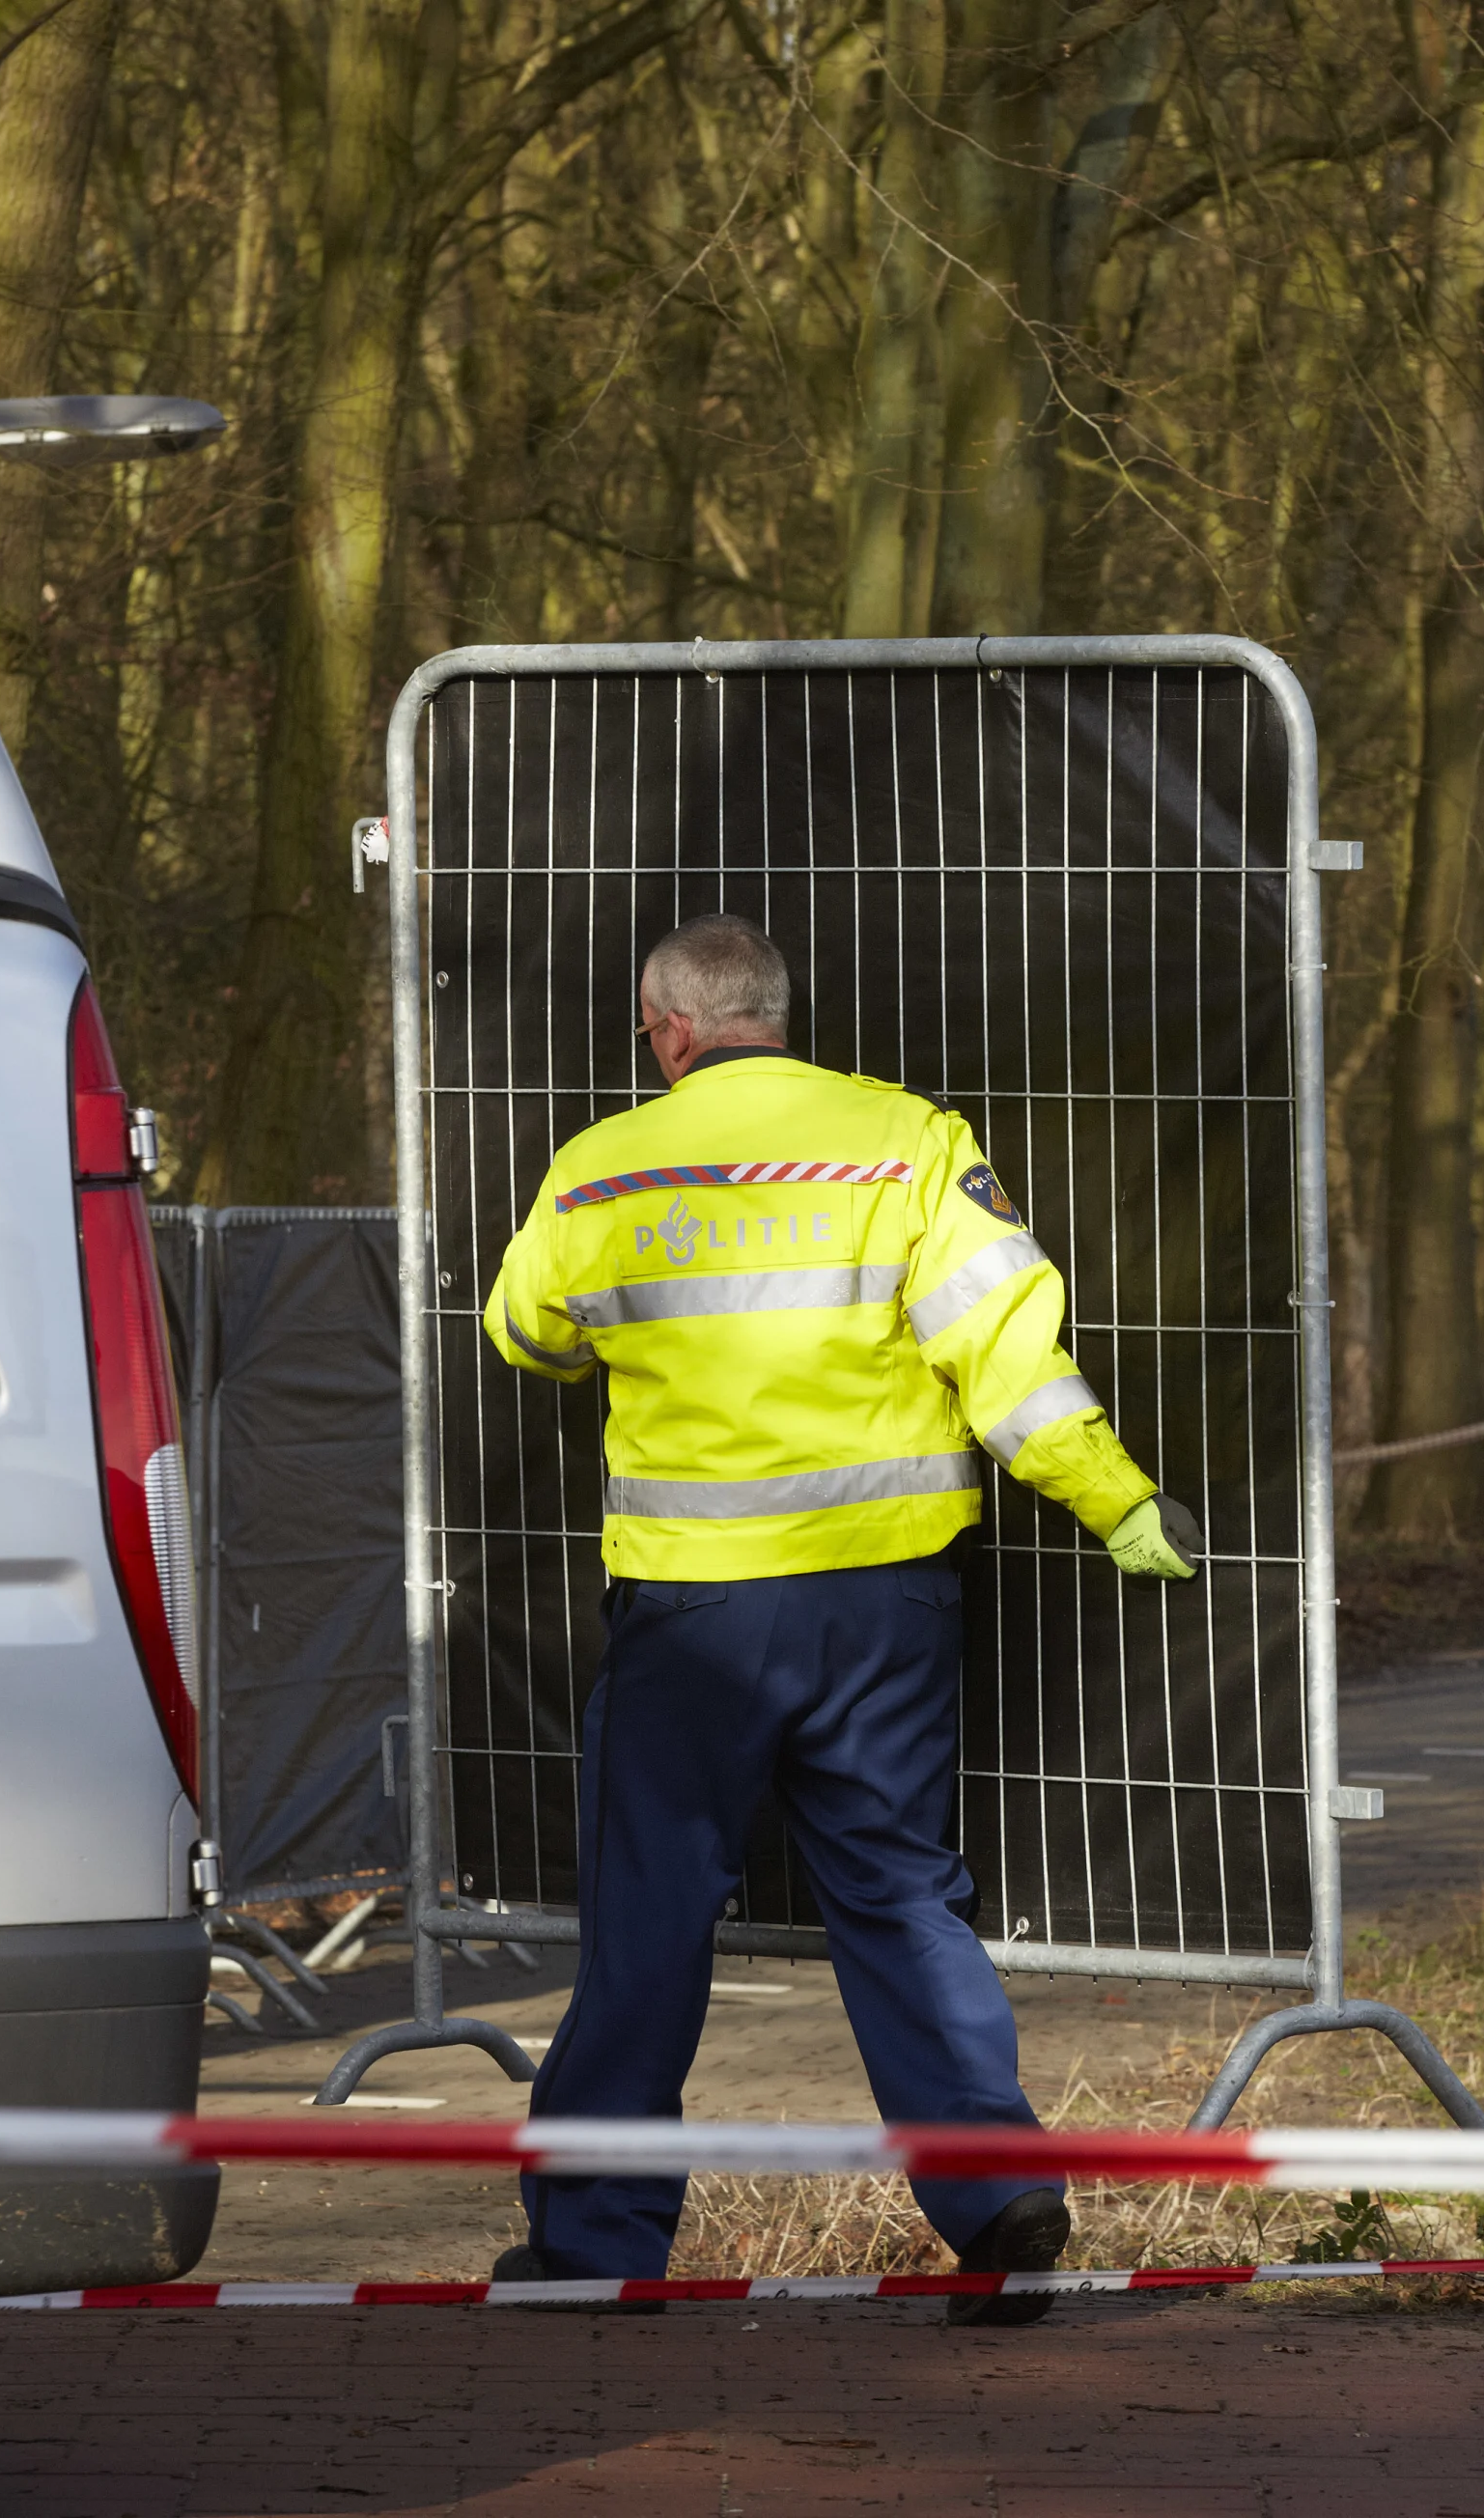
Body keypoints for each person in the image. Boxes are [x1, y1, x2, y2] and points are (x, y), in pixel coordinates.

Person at [478, 911, 1197, 2324]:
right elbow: (1008, 1357)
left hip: (692, 1618)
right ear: (774, 1014)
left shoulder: (601, 1167)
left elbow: (523, 1328)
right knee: (898, 1898)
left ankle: (591, 2250)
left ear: (671, 1033)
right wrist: (1113, 1501)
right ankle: (998, 2200)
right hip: (883, 1610)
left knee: (650, 1921)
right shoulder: (911, 1142)